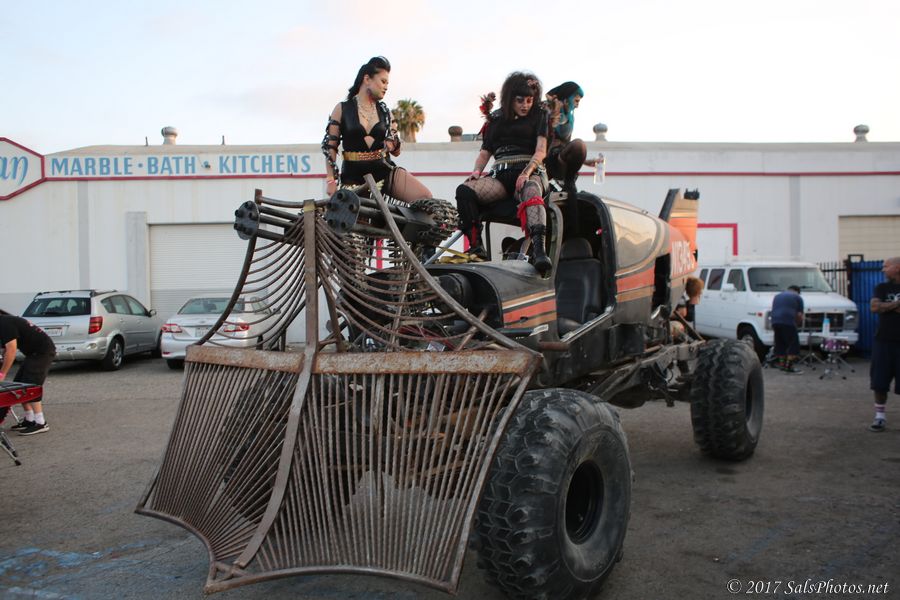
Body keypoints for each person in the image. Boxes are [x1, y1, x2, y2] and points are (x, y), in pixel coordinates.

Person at [455, 72, 552, 276]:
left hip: (530, 172)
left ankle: (539, 251)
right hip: (500, 175)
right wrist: (476, 172)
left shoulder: (539, 114)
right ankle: (476, 248)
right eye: (520, 100)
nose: (525, 105)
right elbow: (485, 152)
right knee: (465, 190)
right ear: (510, 99)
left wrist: (526, 173)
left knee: (531, 189)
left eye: (529, 100)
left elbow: (541, 150)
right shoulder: (496, 119)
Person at [321, 56, 433, 203]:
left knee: (425, 197)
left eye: (387, 83)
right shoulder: (342, 109)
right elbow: (331, 147)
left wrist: (394, 144)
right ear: (367, 79)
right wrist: (331, 180)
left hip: (384, 172)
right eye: (383, 81)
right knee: (359, 216)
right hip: (353, 178)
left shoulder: (386, 113)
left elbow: (396, 152)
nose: (386, 87)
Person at [0, 309, 56, 435]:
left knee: (31, 387)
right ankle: (29, 419)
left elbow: (11, 350)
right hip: (32, 354)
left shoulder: (4, 323)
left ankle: (41, 422)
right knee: (20, 386)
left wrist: (2, 373)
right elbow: (5, 350)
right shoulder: (5, 322)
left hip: (42, 352)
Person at [545, 81, 600, 199]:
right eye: (576, 101)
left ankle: (567, 183)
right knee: (578, 145)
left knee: (578, 146)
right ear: (566, 99)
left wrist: (583, 160)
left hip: (560, 161)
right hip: (545, 159)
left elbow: (566, 144)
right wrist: (554, 110)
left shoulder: (570, 117)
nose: (577, 106)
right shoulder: (548, 111)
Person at [868, 256, 900, 432]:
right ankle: (879, 417)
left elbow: (880, 306)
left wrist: (886, 306)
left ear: (897, 268)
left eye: (886, 266)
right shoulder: (882, 287)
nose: (883, 270)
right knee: (879, 381)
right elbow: (874, 307)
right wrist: (896, 304)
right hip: (884, 341)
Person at [771, 285, 804, 373]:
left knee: (780, 343)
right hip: (788, 321)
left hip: (775, 321)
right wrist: (797, 324)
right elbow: (799, 315)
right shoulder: (798, 297)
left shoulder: (777, 296)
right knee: (794, 344)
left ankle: (782, 365)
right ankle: (789, 366)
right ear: (797, 292)